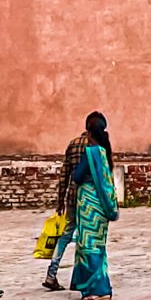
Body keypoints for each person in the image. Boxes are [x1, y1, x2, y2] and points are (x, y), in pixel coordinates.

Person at [69, 110, 117, 300]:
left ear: (89, 132)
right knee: (98, 247)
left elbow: (77, 176)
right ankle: (98, 287)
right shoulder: (105, 153)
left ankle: (98, 289)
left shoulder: (90, 154)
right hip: (101, 207)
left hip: (89, 205)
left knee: (89, 247)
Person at [41, 118, 92, 289]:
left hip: (71, 196)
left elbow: (64, 175)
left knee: (66, 234)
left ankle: (51, 273)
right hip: (88, 200)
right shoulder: (95, 147)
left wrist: (60, 201)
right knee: (87, 237)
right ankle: (84, 276)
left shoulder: (73, 144)